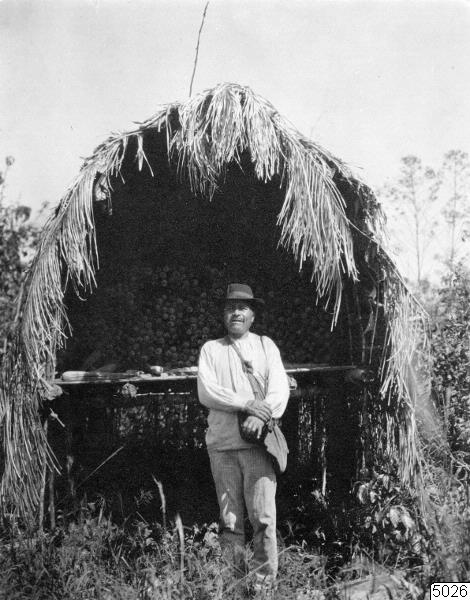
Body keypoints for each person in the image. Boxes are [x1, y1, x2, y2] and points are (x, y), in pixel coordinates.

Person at [197, 283, 290, 594]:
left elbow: (279, 391)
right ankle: (235, 586)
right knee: (230, 522)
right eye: (230, 308)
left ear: (252, 315)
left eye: (242, 308)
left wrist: (259, 415)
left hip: (257, 446)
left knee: (263, 518)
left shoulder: (265, 346)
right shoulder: (211, 349)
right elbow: (207, 392)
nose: (236, 313)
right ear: (223, 315)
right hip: (222, 446)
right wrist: (246, 404)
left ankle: (264, 587)